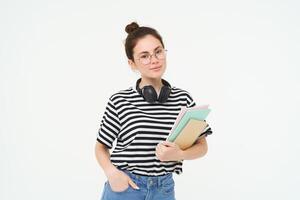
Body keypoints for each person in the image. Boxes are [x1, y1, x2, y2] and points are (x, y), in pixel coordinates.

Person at [95, 22, 212, 200]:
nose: (154, 60)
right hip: (126, 187)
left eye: (158, 51)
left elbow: (202, 147)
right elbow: (101, 147)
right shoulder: (119, 100)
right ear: (132, 63)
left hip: (164, 189)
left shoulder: (183, 99)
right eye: (144, 56)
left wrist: (179, 154)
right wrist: (112, 173)